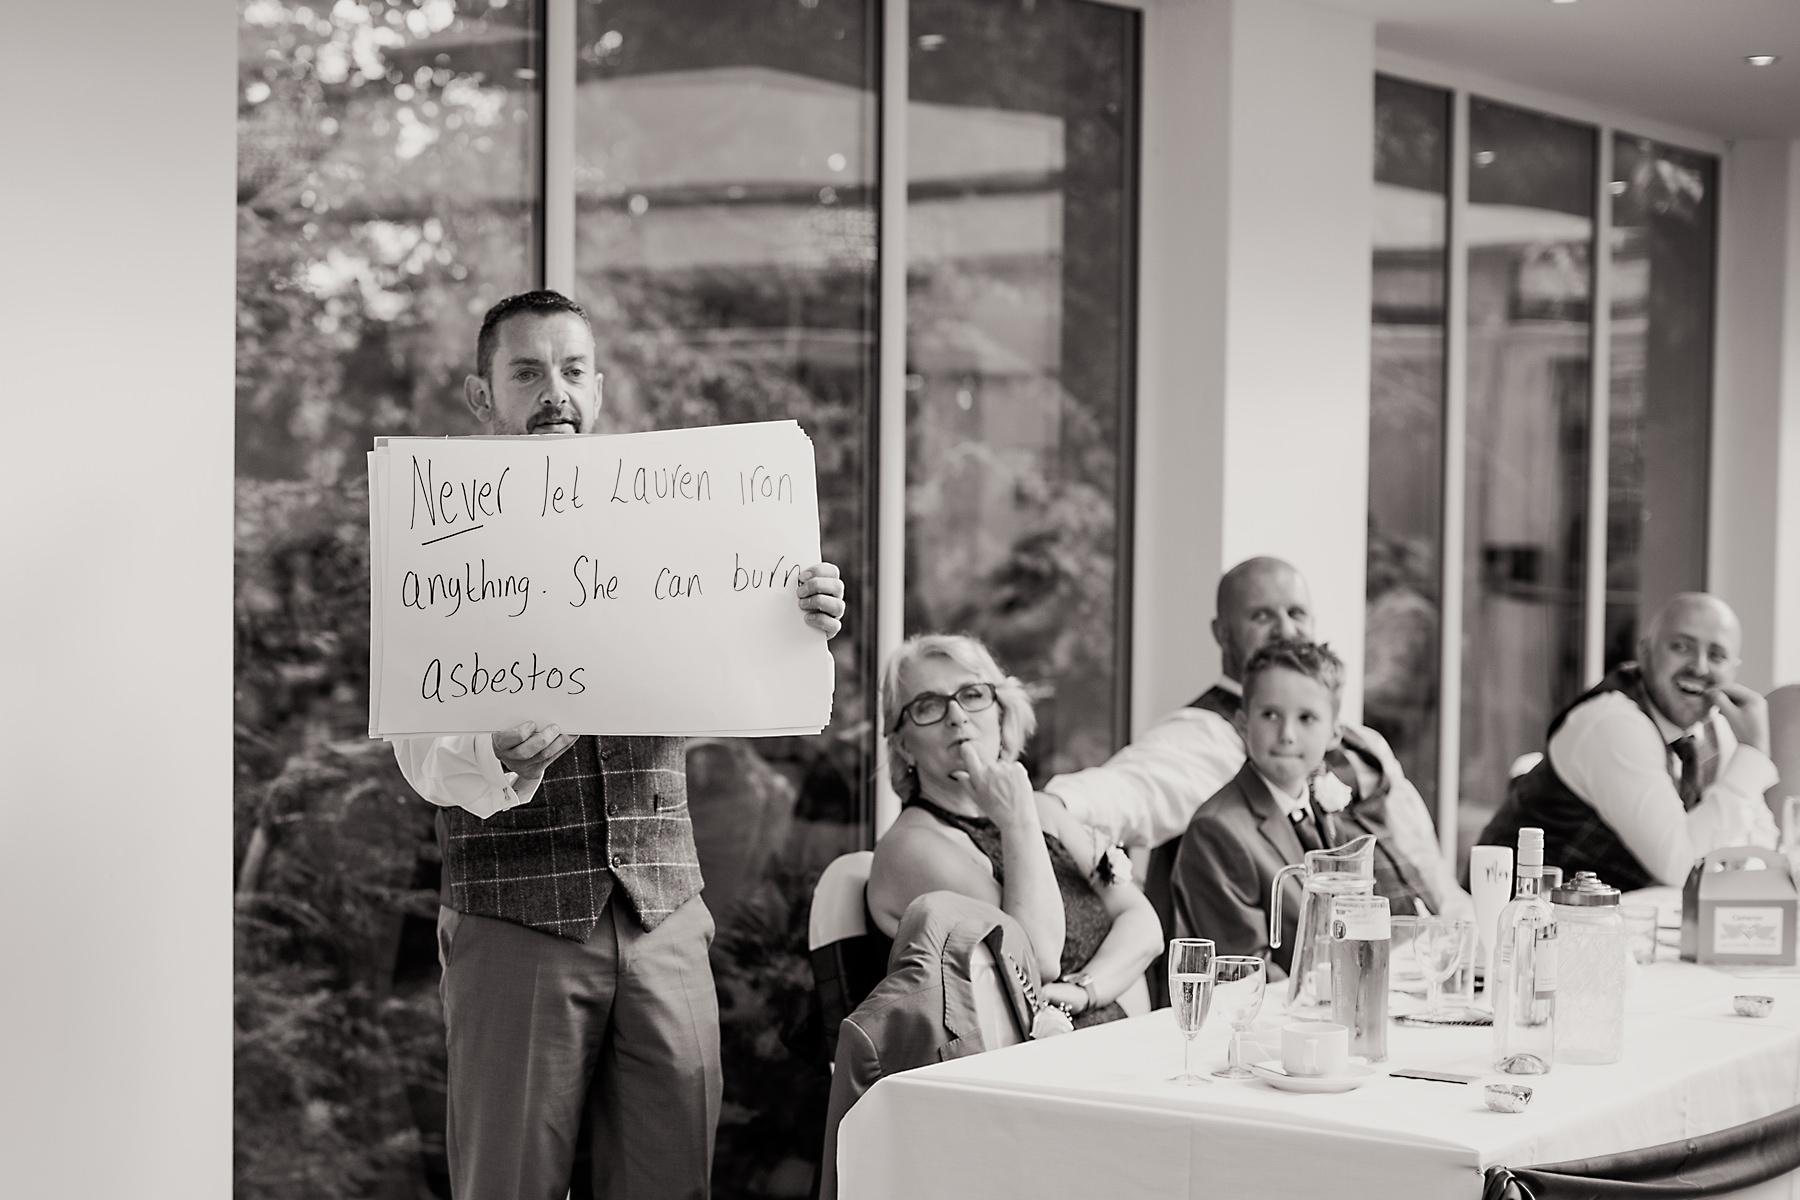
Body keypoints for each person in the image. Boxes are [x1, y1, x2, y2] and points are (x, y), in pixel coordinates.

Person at [391, 290, 847, 1200]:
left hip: (666, 913)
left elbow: (729, 679)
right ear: (482, 397)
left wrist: (796, 621)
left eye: (572, 371)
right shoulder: (435, 534)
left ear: (597, 390)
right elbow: (418, 751)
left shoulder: (678, 521)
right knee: (509, 1185)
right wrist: (496, 756)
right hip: (514, 919)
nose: (553, 393)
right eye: (526, 373)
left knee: (672, 1181)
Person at [1044, 557, 1470, 965]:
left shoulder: (1364, 740)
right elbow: (1118, 793)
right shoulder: (1205, 735)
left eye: (1296, 613)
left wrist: (1463, 943)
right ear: (1222, 633)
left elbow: (1426, 859)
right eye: (1262, 615)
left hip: (1426, 961)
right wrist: (1048, 806)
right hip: (1327, 974)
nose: (1285, 629)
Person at [866, 634, 1162, 1027]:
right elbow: (1036, 957)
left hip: (1116, 1041)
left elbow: (1144, 925)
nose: (957, 716)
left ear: (1001, 713)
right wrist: (1017, 822)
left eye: (972, 694)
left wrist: (1086, 990)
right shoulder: (911, 848)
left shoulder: (1043, 810)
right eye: (928, 705)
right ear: (903, 745)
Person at [1477, 592, 1778, 890]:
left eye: (1717, 655)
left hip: (1622, 914)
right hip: (1519, 912)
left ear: (1734, 670)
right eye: (1681, 647)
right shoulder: (1612, 723)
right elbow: (1682, 866)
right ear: (1645, 652)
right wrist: (1754, 752)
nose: (1699, 668)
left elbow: (1762, 844)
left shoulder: (1714, 728)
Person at [1169, 640, 1367, 973]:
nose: (1287, 734)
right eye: (1270, 715)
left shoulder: (1324, 808)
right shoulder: (1218, 830)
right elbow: (1246, 971)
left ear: (1335, 733)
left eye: (1306, 718)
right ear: (1243, 724)